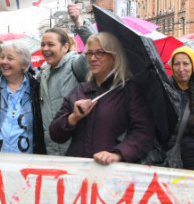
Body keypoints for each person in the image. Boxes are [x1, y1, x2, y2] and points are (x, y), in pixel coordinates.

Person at [49, 32, 155, 164]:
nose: (93, 58)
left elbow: (143, 134)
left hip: (111, 172)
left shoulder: (129, 90)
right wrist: (73, 118)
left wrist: (117, 154)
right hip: (78, 170)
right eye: (89, 53)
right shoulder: (81, 90)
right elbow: (55, 134)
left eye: (100, 53)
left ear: (114, 56)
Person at [39, 5, 96, 156]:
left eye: (51, 44)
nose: (45, 49)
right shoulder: (43, 74)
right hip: (52, 150)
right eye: (43, 45)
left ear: (65, 47)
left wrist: (78, 22)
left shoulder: (76, 64)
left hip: (77, 150)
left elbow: (95, 46)